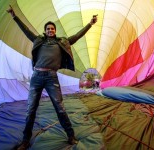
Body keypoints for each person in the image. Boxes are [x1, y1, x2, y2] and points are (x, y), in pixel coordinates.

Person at [7, 5, 97, 150]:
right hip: (36, 77)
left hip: (51, 77)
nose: (50, 30)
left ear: (55, 31)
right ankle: (25, 141)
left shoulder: (62, 42)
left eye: (52, 29)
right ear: (45, 31)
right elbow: (26, 31)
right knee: (31, 109)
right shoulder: (38, 40)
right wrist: (14, 16)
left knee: (60, 108)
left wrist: (90, 24)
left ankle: (71, 135)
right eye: (48, 29)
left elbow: (77, 35)